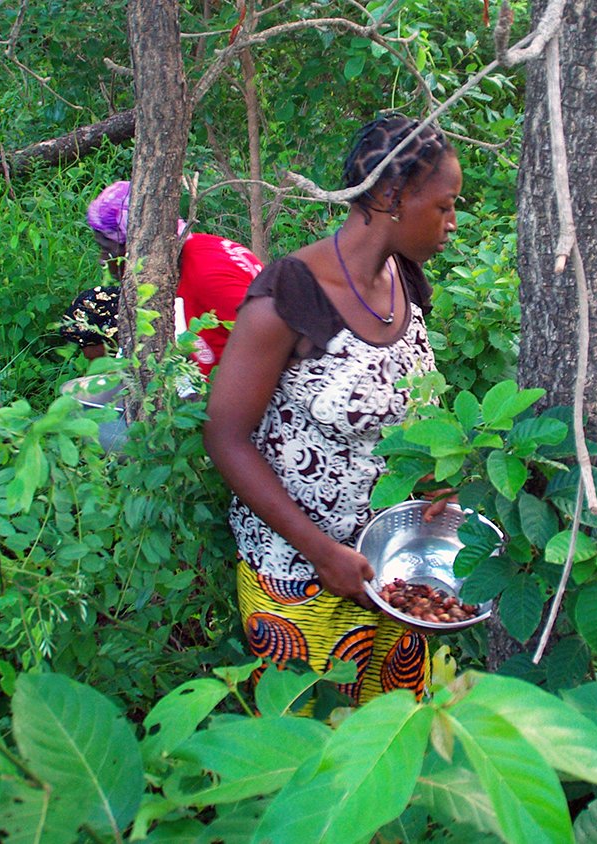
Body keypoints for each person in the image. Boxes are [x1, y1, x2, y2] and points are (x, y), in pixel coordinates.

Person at [203, 114, 459, 704]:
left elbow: (411, 407)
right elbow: (226, 437)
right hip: (299, 572)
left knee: (385, 736)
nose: (451, 224)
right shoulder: (292, 294)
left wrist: (435, 483)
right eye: (444, 207)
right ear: (393, 198)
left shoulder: (405, 279)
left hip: (390, 567)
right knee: (306, 744)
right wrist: (321, 552)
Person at [58, 180, 264, 376]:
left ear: (136, 245)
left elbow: (267, 346)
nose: (103, 261)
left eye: (107, 249)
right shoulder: (190, 256)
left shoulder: (207, 277)